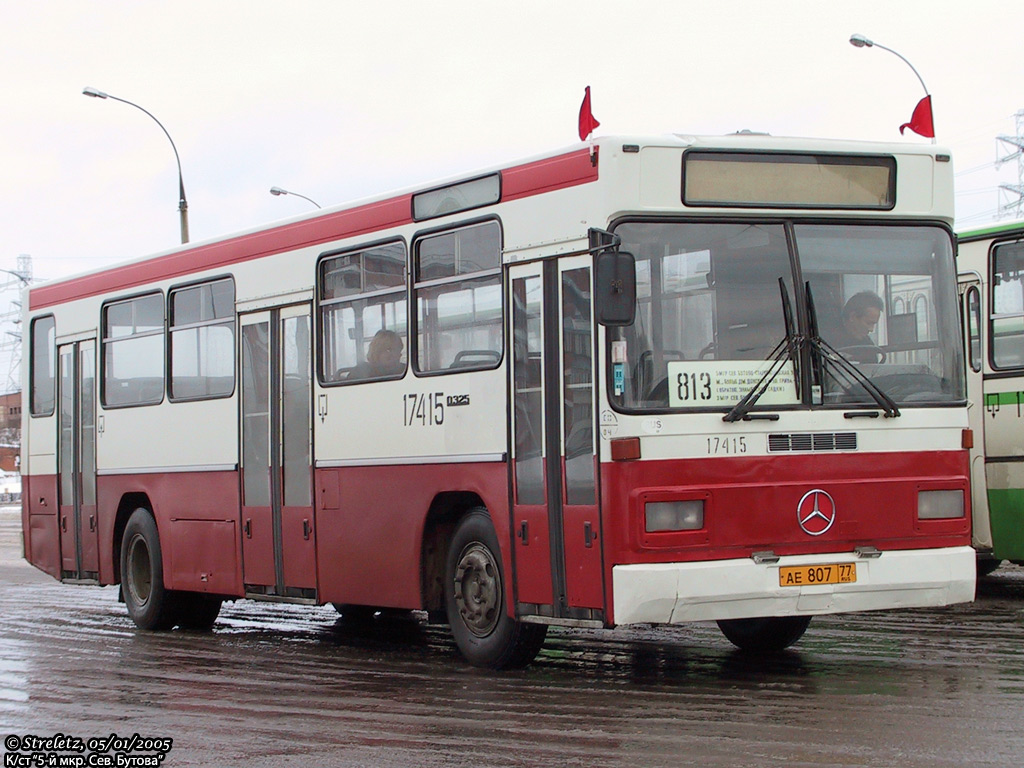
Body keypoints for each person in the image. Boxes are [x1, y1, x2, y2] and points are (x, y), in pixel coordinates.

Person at [833, 291, 884, 363]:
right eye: (868, 323)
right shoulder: (827, 341)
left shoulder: (868, 346)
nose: (871, 329)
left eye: (874, 324)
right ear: (852, 316)